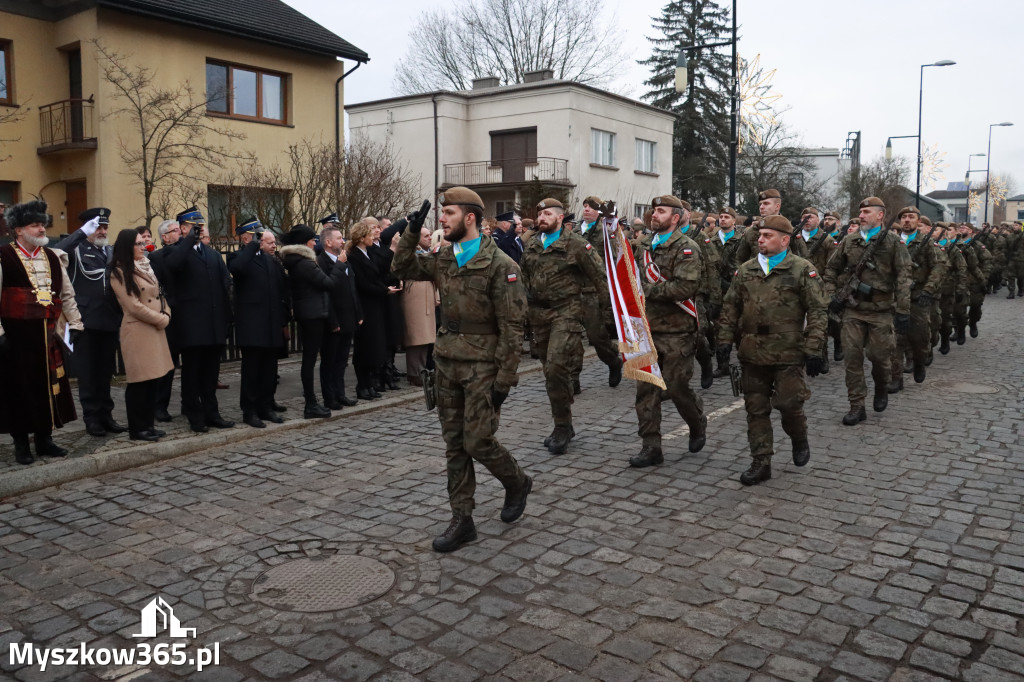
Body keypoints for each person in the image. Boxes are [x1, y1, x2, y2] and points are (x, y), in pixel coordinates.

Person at [392, 188, 532, 553]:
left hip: (483, 367)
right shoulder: (443, 258)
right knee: (455, 444)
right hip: (447, 362)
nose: (442, 219)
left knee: (478, 441)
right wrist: (411, 229)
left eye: (448, 212)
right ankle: (462, 519)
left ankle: (516, 482)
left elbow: (513, 328)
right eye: (441, 213)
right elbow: (401, 267)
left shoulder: (502, 266)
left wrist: (505, 379)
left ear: (469, 218)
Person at [717, 215, 827, 485]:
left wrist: (814, 348)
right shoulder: (746, 270)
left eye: (767, 236)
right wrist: (723, 341)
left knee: (789, 405)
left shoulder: (801, 269)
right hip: (752, 351)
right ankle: (761, 461)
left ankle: (799, 437)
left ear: (785, 240)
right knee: (755, 409)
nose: (760, 240)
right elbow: (731, 307)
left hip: (788, 351)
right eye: (759, 236)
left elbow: (817, 309)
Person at [520, 197, 609, 455]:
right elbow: (524, 278)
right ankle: (565, 424)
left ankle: (561, 428)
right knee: (550, 371)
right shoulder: (533, 244)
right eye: (540, 214)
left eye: (547, 214)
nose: (542, 218)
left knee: (558, 365)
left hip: (567, 312)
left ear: (560, 217)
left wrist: (608, 316)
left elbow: (599, 276)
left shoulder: (577, 244)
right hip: (539, 315)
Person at [0, 200, 84, 464]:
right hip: (16, 338)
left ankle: (45, 440)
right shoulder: (4, 256)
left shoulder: (52, 256)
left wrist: (77, 322)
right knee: (19, 391)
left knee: (48, 387)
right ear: (18, 230)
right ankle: (22, 444)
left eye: (41, 224)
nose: (40, 229)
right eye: (34, 225)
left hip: (47, 334)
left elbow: (67, 294)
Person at [629, 195, 708, 468]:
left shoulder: (687, 249)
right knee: (646, 391)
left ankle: (697, 421)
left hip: (677, 331)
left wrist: (647, 291)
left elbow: (685, 288)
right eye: (654, 210)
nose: (654, 214)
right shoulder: (643, 247)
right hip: (645, 329)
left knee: (676, 388)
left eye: (661, 211)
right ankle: (651, 446)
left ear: (675, 218)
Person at [824, 197, 911, 426]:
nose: (861, 216)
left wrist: (903, 310)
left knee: (880, 359)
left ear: (880, 215)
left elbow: (904, 277)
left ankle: (881, 386)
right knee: (852, 359)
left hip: (881, 311)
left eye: (866, 212)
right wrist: (832, 296)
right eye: (860, 212)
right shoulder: (849, 240)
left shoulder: (893, 242)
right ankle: (857, 406)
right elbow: (831, 269)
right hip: (853, 310)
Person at [55, 207, 125, 437]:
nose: (102, 231)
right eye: (97, 227)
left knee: (105, 373)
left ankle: (107, 416)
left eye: (105, 227)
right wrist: (81, 234)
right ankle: (92, 419)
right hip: (85, 322)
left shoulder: (110, 251)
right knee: (88, 374)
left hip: (108, 319)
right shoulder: (76, 248)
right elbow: (54, 253)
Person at [165, 207, 234, 432]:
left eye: (201, 226)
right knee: (192, 374)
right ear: (183, 229)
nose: (200, 229)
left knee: (210, 375)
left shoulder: (212, 254)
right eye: (195, 226)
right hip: (192, 327)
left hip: (213, 325)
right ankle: (195, 416)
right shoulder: (176, 251)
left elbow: (224, 286)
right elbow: (173, 266)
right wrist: (187, 241)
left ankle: (212, 413)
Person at [108, 228, 173, 441]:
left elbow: (159, 294)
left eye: (142, 243)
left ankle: (149, 424)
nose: (143, 246)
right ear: (128, 247)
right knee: (139, 383)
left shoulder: (146, 266)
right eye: (138, 244)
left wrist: (167, 312)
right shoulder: (119, 272)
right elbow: (133, 305)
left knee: (154, 379)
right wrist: (160, 319)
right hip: (138, 330)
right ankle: (138, 428)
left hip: (155, 329)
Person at [280, 224, 346, 419]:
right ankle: (310, 403)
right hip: (312, 314)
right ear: (304, 242)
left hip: (312, 312)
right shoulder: (303, 263)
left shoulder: (300, 260)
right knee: (309, 360)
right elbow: (328, 283)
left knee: (310, 359)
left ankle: (313, 401)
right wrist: (340, 264)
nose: (314, 242)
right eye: (312, 239)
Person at [230, 226, 290, 427]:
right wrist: (252, 245)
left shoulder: (271, 262)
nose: (272, 246)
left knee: (269, 372)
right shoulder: (239, 258)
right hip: (252, 328)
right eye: (265, 240)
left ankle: (266, 407)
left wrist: (283, 322)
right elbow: (237, 269)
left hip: (271, 326)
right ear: (248, 239)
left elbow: (281, 292)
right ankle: (249, 411)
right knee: (251, 372)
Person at [888, 207, 946, 392]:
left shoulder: (928, 243)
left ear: (917, 221)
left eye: (911, 217)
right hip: (895, 299)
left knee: (920, 339)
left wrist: (928, 290)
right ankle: (896, 378)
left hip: (917, 298)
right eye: (903, 217)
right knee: (894, 340)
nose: (906, 220)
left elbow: (939, 267)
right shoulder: (891, 242)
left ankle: (919, 362)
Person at [571, 196, 623, 394]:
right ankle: (573, 379)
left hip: (594, 291)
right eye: (584, 206)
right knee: (571, 337)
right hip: (573, 290)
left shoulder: (606, 232)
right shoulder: (574, 232)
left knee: (597, 336)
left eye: (591, 207)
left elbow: (615, 258)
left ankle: (613, 361)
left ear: (599, 212)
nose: (586, 209)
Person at [317, 223, 362, 408]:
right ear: (328, 242)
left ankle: (340, 393)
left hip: (348, 318)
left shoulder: (343, 259)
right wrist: (332, 320)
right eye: (338, 238)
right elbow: (326, 294)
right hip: (334, 320)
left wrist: (358, 312)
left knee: (342, 360)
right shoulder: (321, 262)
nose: (342, 241)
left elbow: (352, 288)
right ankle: (330, 397)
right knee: (330, 361)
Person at [347, 219, 391, 399]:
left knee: (374, 346)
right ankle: (362, 385)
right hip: (364, 305)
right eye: (370, 234)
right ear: (361, 237)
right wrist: (384, 290)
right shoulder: (354, 256)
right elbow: (363, 284)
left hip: (375, 305)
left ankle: (370, 383)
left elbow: (379, 273)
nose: (373, 236)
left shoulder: (369, 253)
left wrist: (385, 286)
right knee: (364, 346)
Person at [707, 207, 742, 378]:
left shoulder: (741, 240)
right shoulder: (711, 240)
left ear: (734, 221)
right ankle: (723, 364)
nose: (723, 219)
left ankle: (747, 362)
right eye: (721, 217)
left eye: (727, 217)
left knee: (740, 329)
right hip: (717, 290)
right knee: (720, 329)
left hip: (736, 289)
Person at [401, 225, 438, 385]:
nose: (429, 238)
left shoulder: (425, 254)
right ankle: (414, 372)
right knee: (416, 337)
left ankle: (422, 369)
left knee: (426, 337)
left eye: (430, 235)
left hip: (426, 297)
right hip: (414, 298)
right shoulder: (409, 255)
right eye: (426, 236)